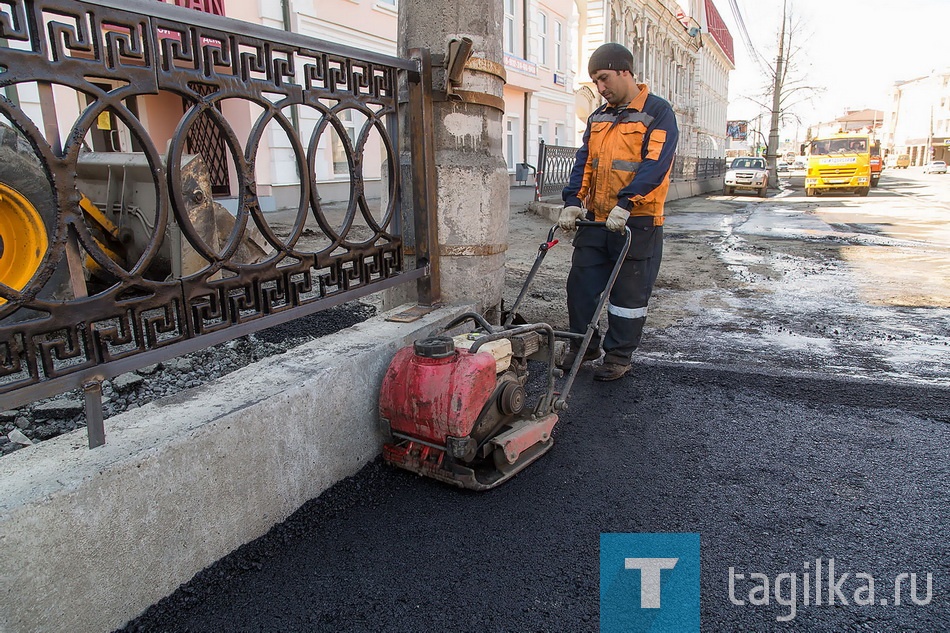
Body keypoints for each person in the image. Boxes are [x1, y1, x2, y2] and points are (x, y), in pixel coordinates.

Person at [557, 42, 679, 381]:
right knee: (580, 285)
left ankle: (618, 355)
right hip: (597, 220)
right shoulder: (599, 117)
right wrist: (572, 201)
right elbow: (585, 163)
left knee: (628, 294)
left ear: (625, 72)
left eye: (604, 78)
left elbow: (655, 165)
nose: (600, 87)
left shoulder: (657, 112)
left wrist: (626, 203)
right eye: (595, 81)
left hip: (637, 221)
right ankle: (584, 345)